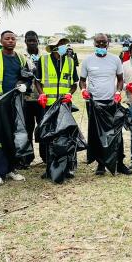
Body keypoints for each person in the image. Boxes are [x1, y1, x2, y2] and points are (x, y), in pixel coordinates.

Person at [0, 30, 31, 191]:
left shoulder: (20, 58)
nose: (11, 41)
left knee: (14, 135)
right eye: (7, 38)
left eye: (13, 38)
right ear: (1, 41)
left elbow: (27, 77)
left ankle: (11, 169)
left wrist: (26, 85)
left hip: (16, 103)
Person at [79, 33, 132, 176]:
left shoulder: (115, 60)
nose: (101, 45)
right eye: (98, 43)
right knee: (97, 135)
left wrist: (118, 91)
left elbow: (120, 79)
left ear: (108, 43)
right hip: (94, 103)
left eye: (104, 43)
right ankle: (101, 164)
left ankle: (119, 163)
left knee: (116, 134)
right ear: (94, 44)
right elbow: (82, 80)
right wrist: (84, 89)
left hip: (112, 102)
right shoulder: (88, 61)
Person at [35, 35, 79, 171]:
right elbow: (37, 80)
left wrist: (69, 94)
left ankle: (68, 165)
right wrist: (41, 93)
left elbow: (74, 83)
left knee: (65, 134)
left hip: (64, 105)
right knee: (49, 134)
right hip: (48, 104)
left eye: (64, 44)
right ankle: (50, 164)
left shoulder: (70, 61)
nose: (64, 47)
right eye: (61, 44)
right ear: (54, 47)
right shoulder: (43, 60)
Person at [23, 31, 42, 160]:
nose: (32, 43)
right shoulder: (21, 56)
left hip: (42, 98)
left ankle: (45, 155)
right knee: (28, 129)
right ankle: (28, 157)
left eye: (34, 40)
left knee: (43, 126)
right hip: (26, 98)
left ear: (38, 41)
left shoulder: (45, 56)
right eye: (29, 41)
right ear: (25, 41)